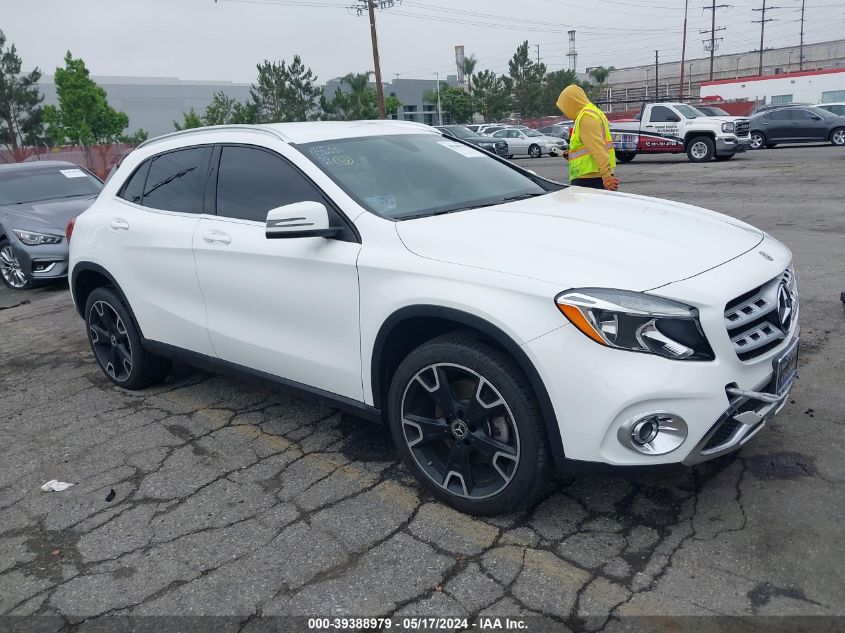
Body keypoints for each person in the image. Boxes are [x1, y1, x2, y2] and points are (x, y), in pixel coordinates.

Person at [556, 85, 619, 191]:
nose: (565, 113)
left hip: (590, 179)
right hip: (593, 177)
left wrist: (606, 176)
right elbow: (590, 145)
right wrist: (571, 154)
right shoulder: (593, 112)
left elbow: (598, 149)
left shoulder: (586, 118)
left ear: (572, 103)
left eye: (565, 108)